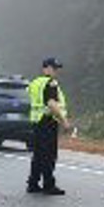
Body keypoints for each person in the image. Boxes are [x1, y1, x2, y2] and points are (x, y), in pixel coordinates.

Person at [26, 56, 72, 195]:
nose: (56, 71)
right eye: (53, 68)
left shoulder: (35, 83)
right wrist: (64, 122)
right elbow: (52, 104)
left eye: (57, 68)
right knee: (49, 155)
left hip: (37, 122)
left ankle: (33, 183)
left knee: (38, 155)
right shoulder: (50, 83)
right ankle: (48, 185)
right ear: (45, 68)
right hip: (47, 122)